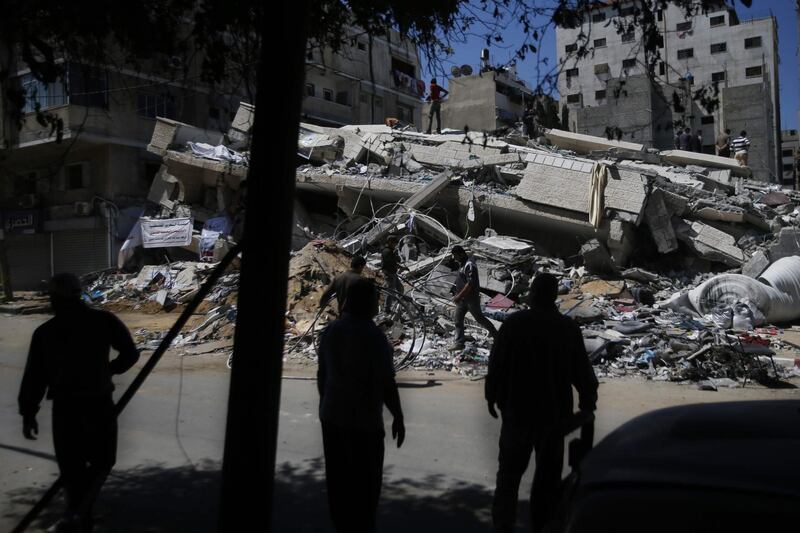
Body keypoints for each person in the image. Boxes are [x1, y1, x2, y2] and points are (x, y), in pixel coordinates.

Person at [18, 273, 139, 532]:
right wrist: (109, 370)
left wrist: (28, 413)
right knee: (102, 461)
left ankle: (76, 514)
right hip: (98, 404)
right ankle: (78, 514)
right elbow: (130, 353)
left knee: (73, 468)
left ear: (54, 299)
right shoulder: (103, 321)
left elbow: (34, 379)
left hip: (66, 409)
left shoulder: (46, 333)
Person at [487, 273, 598, 533]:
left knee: (509, 477)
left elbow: (497, 365)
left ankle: (503, 525)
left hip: (517, 413)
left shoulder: (514, 324)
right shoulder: (567, 329)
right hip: (554, 418)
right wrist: (587, 404)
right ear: (553, 296)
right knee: (547, 480)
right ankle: (541, 525)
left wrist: (492, 395)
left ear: (533, 294)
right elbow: (582, 371)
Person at [317, 278, 405, 533]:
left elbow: (322, 376)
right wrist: (398, 416)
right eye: (375, 299)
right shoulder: (375, 337)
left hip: (332, 418)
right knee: (365, 487)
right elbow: (387, 383)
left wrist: (326, 405)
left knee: (338, 481)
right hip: (364, 424)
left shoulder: (331, 331)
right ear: (368, 303)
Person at [451, 245, 498, 350]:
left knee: (480, 319)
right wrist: (454, 292)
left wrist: (459, 295)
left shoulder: (470, 264)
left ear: (461, 254)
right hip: (462, 300)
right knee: (458, 320)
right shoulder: (462, 264)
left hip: (471, 299)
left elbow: (470, 283)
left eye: (455, 256)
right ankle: (459, 343)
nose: (454, 258)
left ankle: (497, 336)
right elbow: (461, 279)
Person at [380, 235, 405, 313]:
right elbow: (390, 263)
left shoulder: (390, 250)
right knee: (390, 292)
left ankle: (400, 305)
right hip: (389, 273)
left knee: (400, 288)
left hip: (392, 273)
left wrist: (401, 267)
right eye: (394, 243)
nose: (395, 245)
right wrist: (399, 267)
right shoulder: (386, 251)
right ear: (390, 242)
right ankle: (387, 309)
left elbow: (394, 262)